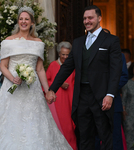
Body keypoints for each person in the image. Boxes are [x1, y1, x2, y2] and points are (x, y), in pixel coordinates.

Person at [0, 6, 73, 150]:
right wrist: (12, 78)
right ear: (18, 22)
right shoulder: (8, 41)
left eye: (26, 19)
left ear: (32, 22)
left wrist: (48, 90)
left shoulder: (38, 43)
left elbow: (39, 69)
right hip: (11, 89)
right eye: (21, 19)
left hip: (31, 89)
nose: (23, 21)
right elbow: (3, 66)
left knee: (34, 124)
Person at [46, 5, 122, 149]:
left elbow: (115, 70)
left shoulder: (111, 41)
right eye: (85, 18)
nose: (87, 21)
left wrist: (110, 94)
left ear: (99, 18)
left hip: (101, 96)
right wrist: (52, 89)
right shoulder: (78, 42)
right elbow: (67, 67)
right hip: (82, 97)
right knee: (84, 137)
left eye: (90, 18)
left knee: (105, 137)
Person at [46, 41, 77, 150]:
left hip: (69, 100)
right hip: (56, 103)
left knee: (69, 127)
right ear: (59, 53)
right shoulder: (53, 65)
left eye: (67, 54)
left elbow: (74, 82)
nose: (65, 57)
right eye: (63, 54)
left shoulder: (72, 67)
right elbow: (46, 82)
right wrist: (59, 84)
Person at [95, 53, 128, 150]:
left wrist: (109, 91)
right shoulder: (93, 52)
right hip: (94, 102)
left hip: (114, 102)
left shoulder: (119, 55)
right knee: (95, 136)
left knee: (115, 137)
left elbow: (124, 76)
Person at [122, 62, 134, 150]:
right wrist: (123, 111)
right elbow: (124, 99)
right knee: (129, 137)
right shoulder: (128, 83)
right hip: (130, 115)